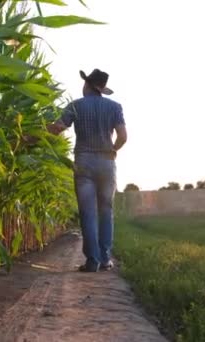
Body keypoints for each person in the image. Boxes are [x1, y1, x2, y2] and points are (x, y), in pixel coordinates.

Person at [48, 69, 127, 272]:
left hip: (83, 162)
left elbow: (57, 128)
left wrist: (32, 133)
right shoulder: (115, 107)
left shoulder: (76, 106)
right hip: (106, 163)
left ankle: (92, 261)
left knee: (88, 213)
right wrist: (113, 150)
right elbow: (122, 136)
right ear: (101, 89)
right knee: (106, 212)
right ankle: (105, 259)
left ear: (88, 85)